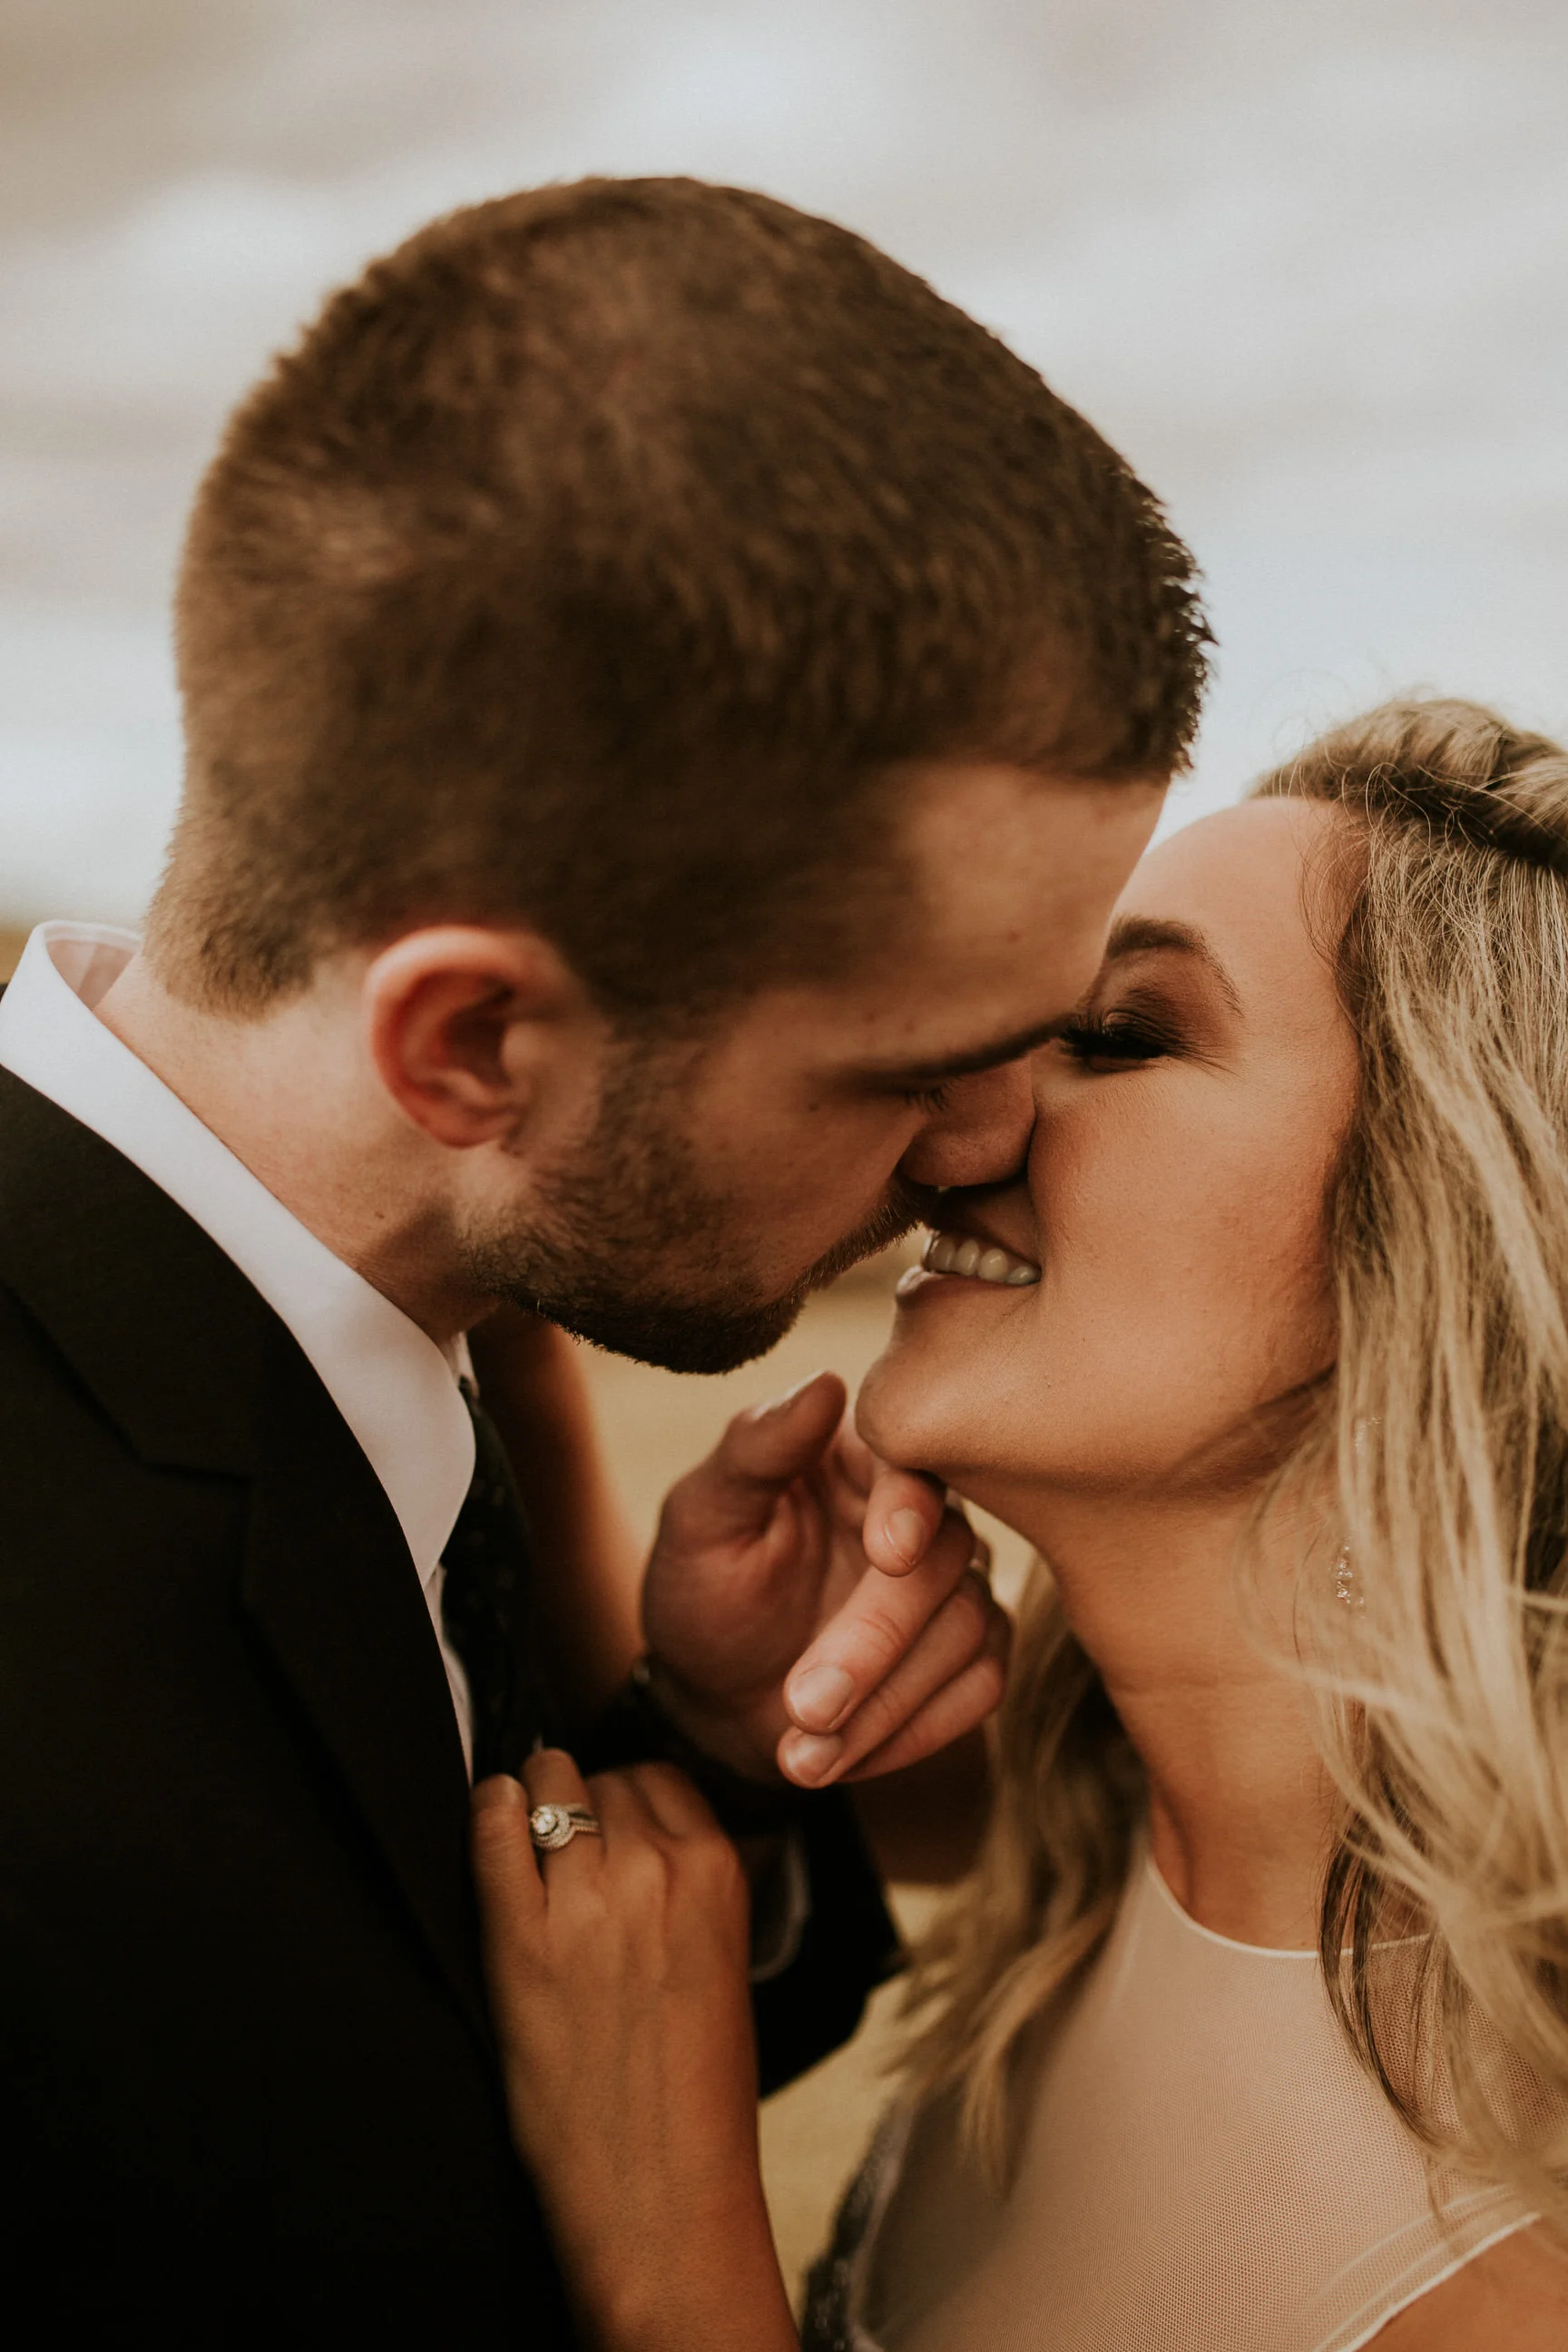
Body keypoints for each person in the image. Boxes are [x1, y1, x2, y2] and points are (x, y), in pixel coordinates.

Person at [0, 177, 1207, 2336]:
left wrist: (703, 1763)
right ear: (473, 1043)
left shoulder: (392, 1343)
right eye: (911, 1067)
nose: (993, 1141)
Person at [474, 697, 1568, 2351]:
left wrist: (665, 2247)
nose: (962, 1117)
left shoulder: (1518, 2255)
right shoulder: (1085, 1810)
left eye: (1119, 1035)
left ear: (1447, 1236)